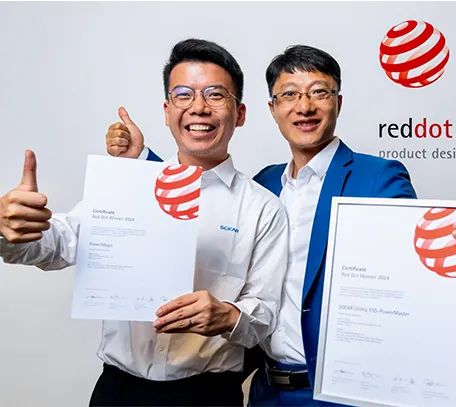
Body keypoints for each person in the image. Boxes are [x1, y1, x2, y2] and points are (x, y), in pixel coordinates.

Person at [106, 45, 456, 406]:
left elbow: (411, 262)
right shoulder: (263, 185)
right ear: (272, 108)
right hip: (267, 390)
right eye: (289, 95)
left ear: (338, 102)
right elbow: (201, 195)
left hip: (343, 393)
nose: (305, 106)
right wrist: (142, 162)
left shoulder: (377, 177)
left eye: (319, 92)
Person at [0, 39, 288, 406]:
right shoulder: (129, 185)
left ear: (240, 113)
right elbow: (58, 244)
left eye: (216, 95)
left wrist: (228, 316)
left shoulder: (263, 208)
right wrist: (11, 228)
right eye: (183, 95)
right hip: (118, 391)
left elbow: (263, 315)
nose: (199, 107)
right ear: (167, 111)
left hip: (208, 395)